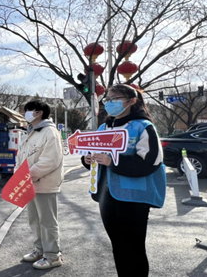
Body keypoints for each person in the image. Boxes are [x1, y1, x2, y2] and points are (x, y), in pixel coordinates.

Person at [81, 84, 166, 277]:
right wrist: (87, 159)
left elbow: (152, 161)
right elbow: (93, 155)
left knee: (134, 248)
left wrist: (113, 162)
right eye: (108, 99)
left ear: (131, 101)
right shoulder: (103, 127)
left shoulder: (143, 126)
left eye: (115, 99)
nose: (110, 103)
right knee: (118, 246)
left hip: (135, 198)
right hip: (106, 195)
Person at [16, 100, 64, 270]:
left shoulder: (49, 132)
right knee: (34, 219)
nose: (25, 114)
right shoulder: (32, 132)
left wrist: (27, 176)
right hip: (28, 184)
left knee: (47, 220)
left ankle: (52, 255)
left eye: (27, 111)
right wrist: (18, 176)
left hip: (44, 183)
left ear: (38, 113)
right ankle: (40, 249)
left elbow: (49, 161)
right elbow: (21, 157)